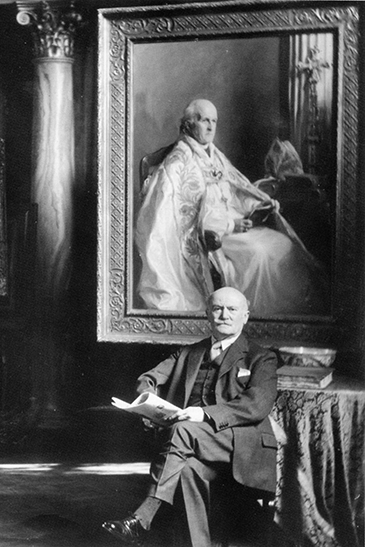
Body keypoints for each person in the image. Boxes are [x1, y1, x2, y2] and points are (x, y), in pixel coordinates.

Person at [102, 287, 278, 546]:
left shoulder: (261, 357)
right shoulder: (189, 352)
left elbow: (257, 405)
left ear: (245, 316)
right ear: (208, 314)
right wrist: (148, 399)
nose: (224, 315)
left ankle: (142, 518)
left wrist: (204, 414)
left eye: (232, 309)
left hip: (241, 441)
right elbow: (149, 378)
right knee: (186, 470)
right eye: (217, 309)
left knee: (183, 430)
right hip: (192, 443)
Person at [135, 99, 326, 315]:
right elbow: (183, 217)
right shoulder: (179, 162)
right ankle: (252, 317)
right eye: (204, 120)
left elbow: (235, 190)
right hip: (209, 237)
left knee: (282, 244)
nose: (210, 126)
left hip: (233, 229)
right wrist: (230, 224)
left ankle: (277, 316)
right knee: (259, 253)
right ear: (188, 125)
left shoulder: (214, 155)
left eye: (214, 121)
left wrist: (260, 203)